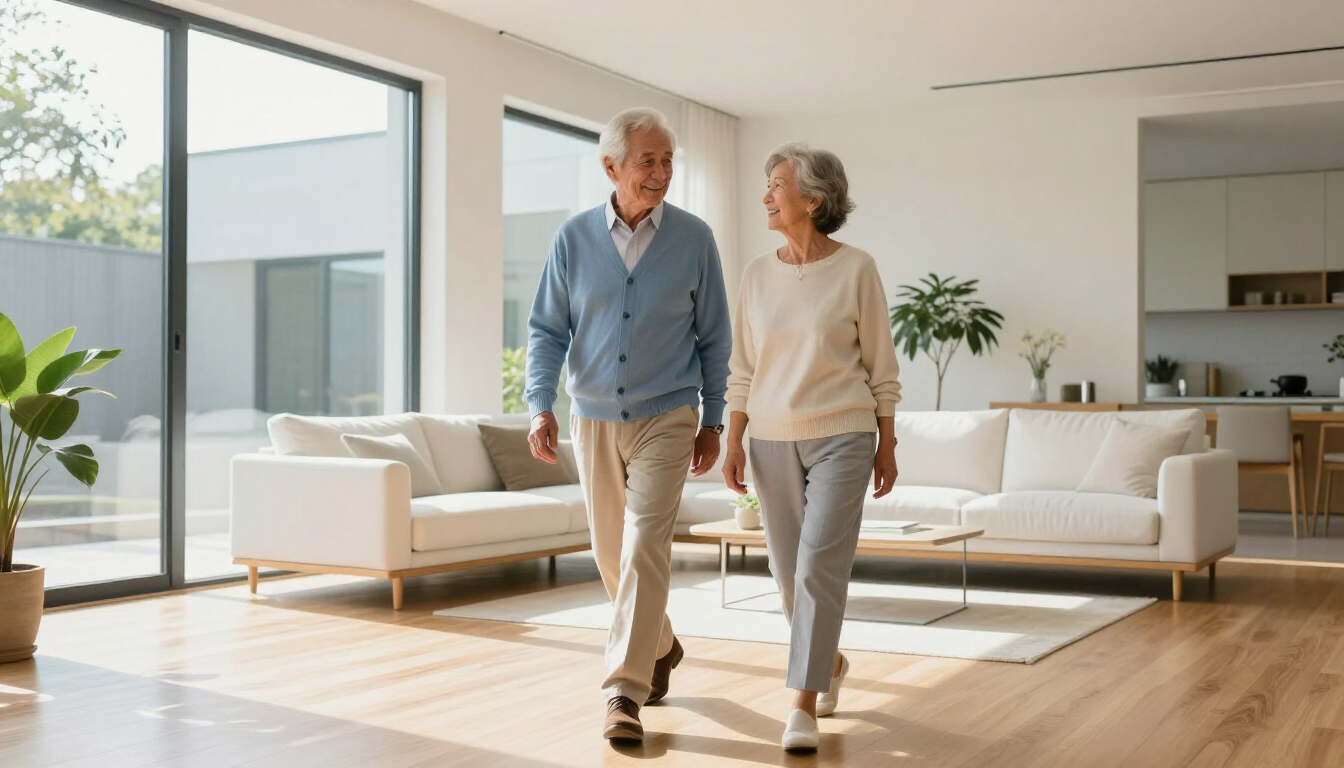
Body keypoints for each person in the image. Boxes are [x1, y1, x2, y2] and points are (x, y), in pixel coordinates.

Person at [525, 107, 732, 742]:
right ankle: (660, 643)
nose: (662, 172)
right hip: (591, 417)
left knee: (644, 545)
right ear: (611, 166)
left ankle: (623, 691)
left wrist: (713, 419)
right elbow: (547, 330)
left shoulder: (694, 239)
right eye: (648, 161)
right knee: (611, 553)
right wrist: (540, 404)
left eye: (668, 161)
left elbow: (715, 337)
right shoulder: (573, 238)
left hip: (668, 413)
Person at [722, 142, 902, 752]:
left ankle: (801, 704)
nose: (766, 196)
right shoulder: (756, 274)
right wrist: (734, 438)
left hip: (844, 434)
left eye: (777, 185)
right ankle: (830, 662)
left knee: (819, 565)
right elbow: (742, 368)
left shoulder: (857, 269)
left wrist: (887, 443)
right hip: (771, 438)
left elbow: (881, 366)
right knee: (785, 573)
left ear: (814, 199)